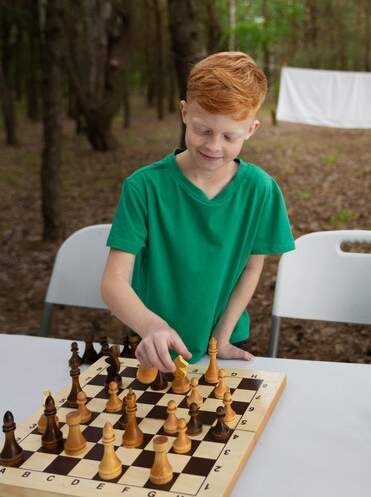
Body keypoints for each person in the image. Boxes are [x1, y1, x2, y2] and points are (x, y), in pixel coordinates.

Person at [101, 51, 294, 373]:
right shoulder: (144, 187)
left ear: (251, 129)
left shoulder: (261, 190)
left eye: (229, 136)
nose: (214, 146)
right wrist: (150, 326)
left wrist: (222, 336)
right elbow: (113, 281)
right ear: (185, 113)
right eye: (203, 130)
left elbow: (250, 270)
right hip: (152, 342)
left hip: (226, 341)